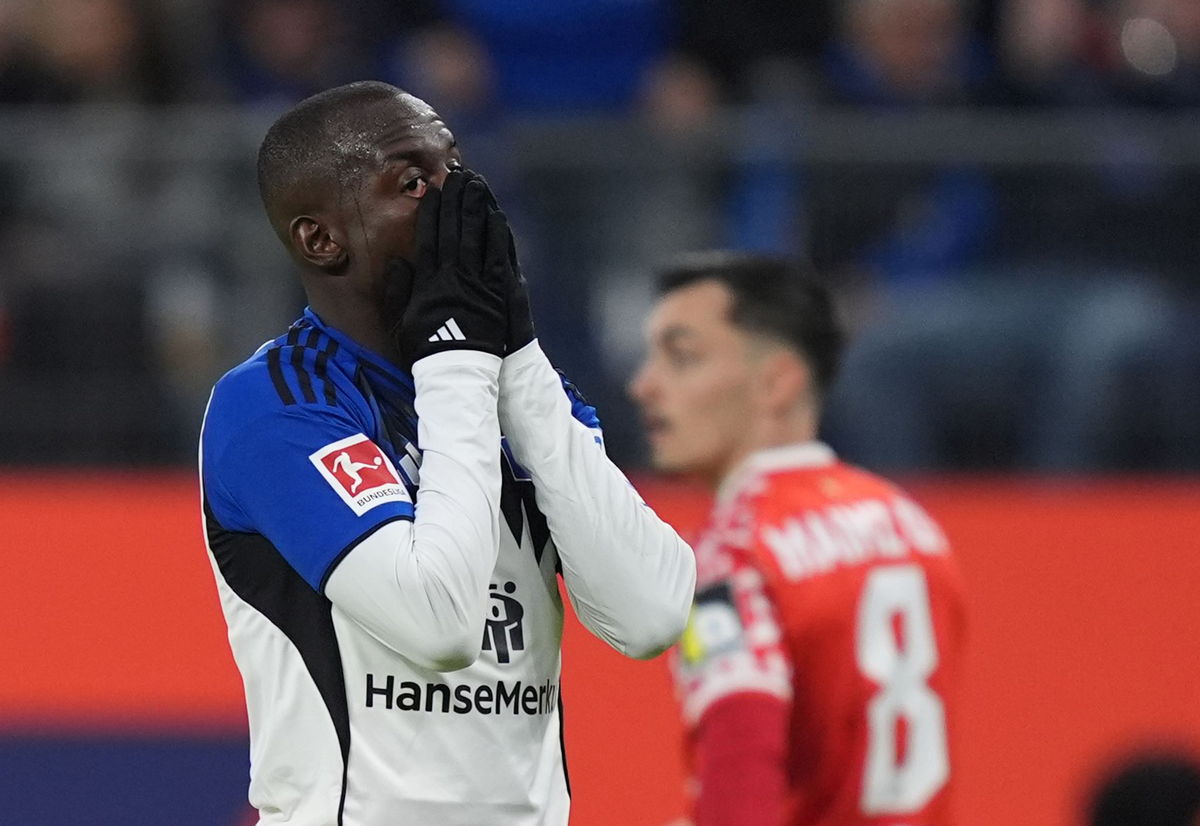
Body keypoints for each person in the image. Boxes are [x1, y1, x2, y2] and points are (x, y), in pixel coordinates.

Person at [199, 81, 696, 825]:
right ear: (321, 240)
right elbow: (438, 626)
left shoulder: (517, 389)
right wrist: (459, 356)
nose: (458, 204)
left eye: (456, 169)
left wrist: (515, 354)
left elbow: (652, 614)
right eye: (412, 183)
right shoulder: (276, 406)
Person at [629, 252, 966, 826]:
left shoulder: (730, 555)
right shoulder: (913, 528)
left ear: (776, 382)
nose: (643, 386)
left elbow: (741, 786)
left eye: (681, 357)